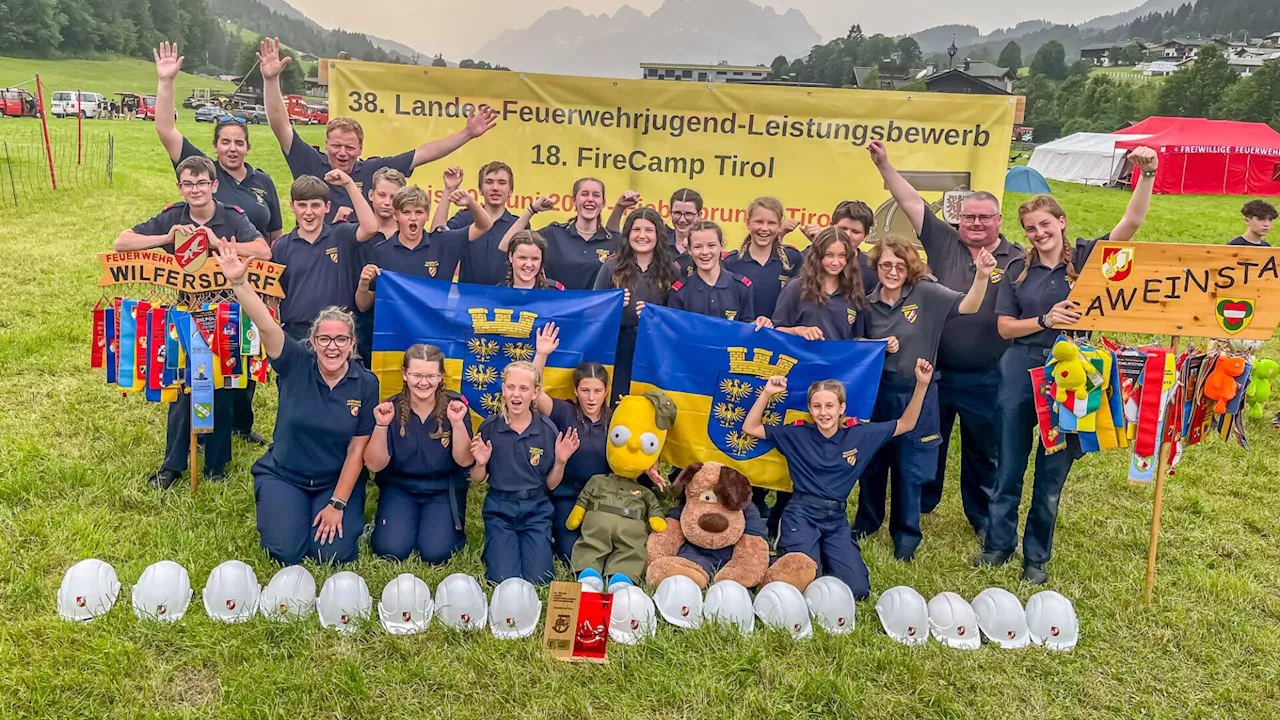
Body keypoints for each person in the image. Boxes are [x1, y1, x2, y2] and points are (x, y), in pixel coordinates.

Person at [980, 148, 1158, 585]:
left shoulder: (1088, 257)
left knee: (1053, 469)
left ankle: (1035, 557)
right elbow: (1003, 328)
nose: (1039, 233)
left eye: (1045, 224)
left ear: (1060, 222)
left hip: (1076, 372)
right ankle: (998, 545)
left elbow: (1131, 223)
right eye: (1030, 228)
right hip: (1021, 366)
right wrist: (1044, 319)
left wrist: (1148, 174)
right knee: (1008, 464)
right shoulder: (1017, 270)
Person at [869, 139, 1024, 542]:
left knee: (981, 449)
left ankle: (981, 514)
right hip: (934, 372)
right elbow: (910, 201)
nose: (975, 224)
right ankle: (923, 502)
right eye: (968, 217)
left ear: (998, 220)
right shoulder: (943, 241)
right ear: (958, 221)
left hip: (987, 372)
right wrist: (884, 164)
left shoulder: (1016, 258)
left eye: (983, 218)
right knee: (929, 443)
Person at [214, 240, 380, 566]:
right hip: (286, 474)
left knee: (331, 555)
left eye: (341, 339)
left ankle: (346, 517)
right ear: (313, 341)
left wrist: (338, 504)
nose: (332, 347)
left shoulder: (366, 383)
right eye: (324, 339)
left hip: (334, 481)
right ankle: (280, 505)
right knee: (286, 552)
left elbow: (357, 451)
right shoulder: (294, 361)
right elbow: (265, 324)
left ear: (351, 344)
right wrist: (238, 282)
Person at [153, 41, 285, 445]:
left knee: (245, 351)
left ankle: (240, 425)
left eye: (238, 142)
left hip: (250, 279)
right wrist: (166, 81)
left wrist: (275, 285)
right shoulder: (206, 176)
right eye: (224, 141)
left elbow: (274, 235)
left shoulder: (263, 182)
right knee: (203, 354)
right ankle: (201, 425)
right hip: (202, 281)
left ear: (248, 145)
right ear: (214, 147)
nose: (231, 148)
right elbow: (165, 128)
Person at [114, 155, 271, 488]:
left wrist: (219, 243)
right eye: (188, 183)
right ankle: (173, 465)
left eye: (202, 183)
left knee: (224, 390)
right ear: (180, 187)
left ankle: (216, 465)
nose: (195, 189)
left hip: (227, 317)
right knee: (182, 389)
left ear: (214, 186)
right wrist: (166, 237)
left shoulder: (231, 216)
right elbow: (122, 242)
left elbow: (264, 250)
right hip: (186, 316)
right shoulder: (175, 214)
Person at [853, 235, 996, 562]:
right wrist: (872, 344)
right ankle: (867, 522)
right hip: (876, 392)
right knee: (872, 462)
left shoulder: (926, 294)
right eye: (886, 265)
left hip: (915, 391)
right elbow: (853, 341)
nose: (892, 272)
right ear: (876, 265)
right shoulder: (866, 301)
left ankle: (906, 535)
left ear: (909, 267)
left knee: (909, 465)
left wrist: (982, 276)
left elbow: (969, 306)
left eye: (899, 266)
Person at [744, 359, 933, 599]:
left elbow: (907, 424)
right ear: (810, 409)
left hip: (835, 520)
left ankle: (824, 554)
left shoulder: (860, 435)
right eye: (817, 406)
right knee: (805, 583)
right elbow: (750, 427)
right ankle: (789, 556)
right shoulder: (796, 433)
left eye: (830, 406)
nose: (824, 413)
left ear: (841, 408)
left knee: (857, 590)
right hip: (801, 513)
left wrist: (922, 384)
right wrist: (768, 393)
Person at [256, 37, 498, 223]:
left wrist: (467, 134)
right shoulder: (309, 163)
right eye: (336, 146)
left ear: (360, 148)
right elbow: (281, 125)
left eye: (350, 147)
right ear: (326, 144)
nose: (342, 153)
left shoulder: (372, 171)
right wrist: (270, 80)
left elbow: (424, 153)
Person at [469, 362, 580, 584]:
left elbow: (550, 485)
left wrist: (560, 461)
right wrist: (480, 464)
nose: (516, 394)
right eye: (510, 387)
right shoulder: (490, 428)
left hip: (536, 510)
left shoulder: (547, 429)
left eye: (523, 388)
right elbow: (477, 480)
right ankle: (496, 547)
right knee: (502, 579)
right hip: (501, 509)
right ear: (503, 389)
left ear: (535, 392)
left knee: (540, 579)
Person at [364, 344, 476, 563]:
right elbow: (374, 465)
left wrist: (458, 424)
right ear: (405, 374)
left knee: (435, 553)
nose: (423, 382)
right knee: (391, 550)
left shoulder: (456, 407)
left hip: (442, 488)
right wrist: (381, 426)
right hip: (400, 487)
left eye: (431, 376)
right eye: (416, 375)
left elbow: (464, 460)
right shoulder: (390, 408)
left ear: (441, 376)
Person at [532, 323, 612, 561]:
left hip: (603, 496)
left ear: (606, 391)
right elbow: (534, 396)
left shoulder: (616, 419)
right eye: (585, 390)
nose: (591, 397)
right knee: (570, 553)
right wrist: (541, 354)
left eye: (597, 391)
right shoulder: (564, 412)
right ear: (576, 391)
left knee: (605, 550)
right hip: (567, 495)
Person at [271, 173, 379, 341]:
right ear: (292, 206)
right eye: (302, 205)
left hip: (339, 332)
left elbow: (371, 228)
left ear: (327, 207)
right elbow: (275, 296)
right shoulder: (281, 246)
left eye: (315, 205)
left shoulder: (341, 235)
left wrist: (349, 184)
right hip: (297, 333)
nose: (308, 212)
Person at [354, 185, 492, 315]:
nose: (413, 218)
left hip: (433, 332)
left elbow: (484, 225)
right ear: (396, 215)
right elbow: (363, 305)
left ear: (427, 216)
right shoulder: (381, 251)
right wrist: (363, 284)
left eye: (419, 212)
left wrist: (471, 203)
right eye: (406, 212)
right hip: (395, 334)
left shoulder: (443, 242)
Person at [594, 207, 678, 403]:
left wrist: (655, 316)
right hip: (617, 347)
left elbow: (676, 315)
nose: (642, 236)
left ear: (658, 235)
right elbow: (594, 309)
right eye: (636, 230)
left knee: (649, 402)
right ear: (627, 234)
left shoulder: (671, 270)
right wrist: (611, 306)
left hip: (654, 348)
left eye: (649, 230)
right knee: (617, 399)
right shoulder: (611, 267)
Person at [501, 178, 617, 290]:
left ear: (603, 203)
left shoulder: (614, 241)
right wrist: (531, 210)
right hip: (555, 308)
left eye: (596, 195)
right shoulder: (553, 234)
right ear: (574, 201)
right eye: (584, 194)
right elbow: (505, 245)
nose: (590, 199)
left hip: (598, 309)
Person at [353, 167, 408, 365]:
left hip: (400, 324)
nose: (386, 202)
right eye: (381, 195)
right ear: (370, 195)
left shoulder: (410, 236)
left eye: (393, 197)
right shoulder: (355, 232)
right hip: (362, 321)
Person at [773, 227, 868, 341]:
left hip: (837, 359)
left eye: (842, 255)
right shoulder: (796, 288)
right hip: (801, 358)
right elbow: (775, 332)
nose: (836, 262)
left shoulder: (854, 292)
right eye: (829, 255)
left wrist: (882, 344)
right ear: (818, 255)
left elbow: (857, 339)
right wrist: (799, 331)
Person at [434, 162, 521, 285]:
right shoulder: (465, 217)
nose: (495, 188)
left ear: (510, 191)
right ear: (480, 189)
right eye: (489, 182)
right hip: (467, 299)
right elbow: (437, 235)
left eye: (502, 183)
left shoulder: (518, 224)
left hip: (505, 300)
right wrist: (449, 189)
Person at [667, 220, 765, 327]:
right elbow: (674, 332)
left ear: (721, 246)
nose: (705, 252)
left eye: (711, 245)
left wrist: (761, 323)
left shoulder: (741, 287)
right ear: (689, 250)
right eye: (698, 247)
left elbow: (748, 329)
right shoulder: (680, 292)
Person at [723, 196, 804, 320]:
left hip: (780, 336)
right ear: (748, 222)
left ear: (779, 225)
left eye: (771, 223)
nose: (765, 228)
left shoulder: (792, 258)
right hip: (742, 335)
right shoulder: (731, 262)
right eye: (759, 222)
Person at [607, 188, 704, 275]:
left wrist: (695, 248)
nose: (682, 219)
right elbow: (614, 236)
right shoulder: (659, 236)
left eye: (689, 214)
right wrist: (620, 207)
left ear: (699, 215)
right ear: (670, 212)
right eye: (677, 213)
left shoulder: (706, 245)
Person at [803, 201, 879, 291]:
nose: (847, 235)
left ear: (865, 236)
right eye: (843, 229)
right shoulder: (807, 258)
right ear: (831, 227)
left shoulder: (871, 269)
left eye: (855, 232)